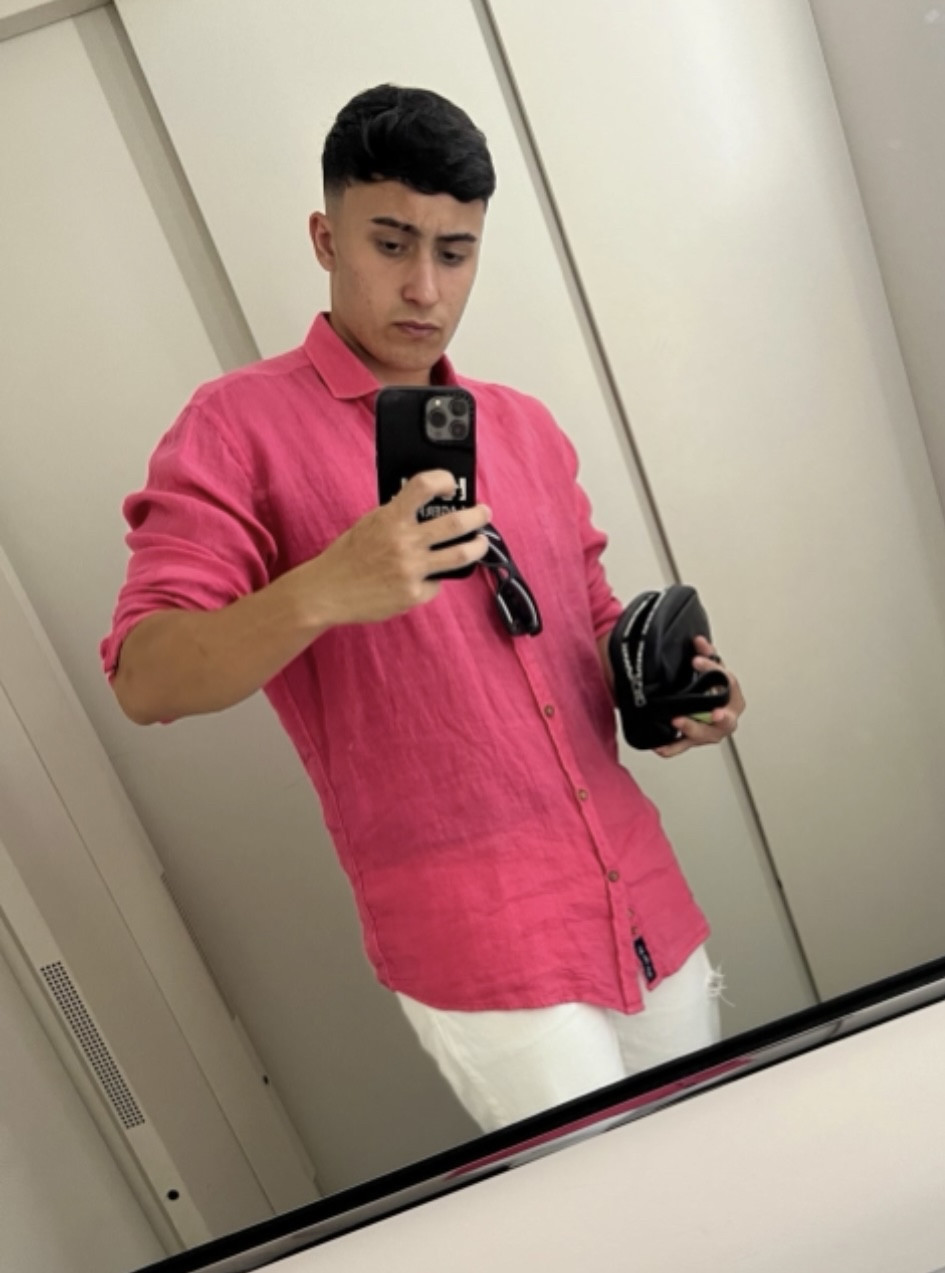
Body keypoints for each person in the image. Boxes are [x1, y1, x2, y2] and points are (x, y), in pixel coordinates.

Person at [102, 84, 745, 1133]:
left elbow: (583, 617)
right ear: (326, 238)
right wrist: (326, 586)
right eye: (390, 243)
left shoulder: (524, 426)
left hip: (636, 887)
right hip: (478, 935)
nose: (423, 287)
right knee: (608, 1206)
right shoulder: (234, 427)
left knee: (725, 1158)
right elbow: (145, 676)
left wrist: (673, 688)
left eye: (455, 252)